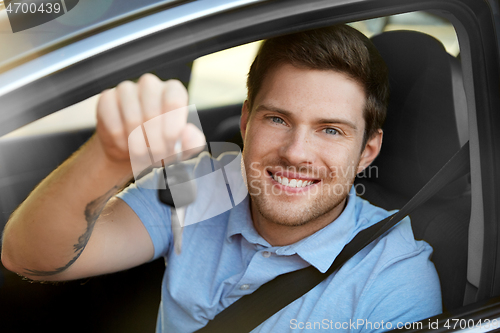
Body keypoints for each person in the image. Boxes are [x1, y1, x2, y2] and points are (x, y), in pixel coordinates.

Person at [1, 25, 442, 332]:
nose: (295, 153)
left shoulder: (395, 278)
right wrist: (110, 158)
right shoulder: (202, 180)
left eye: (330, 130)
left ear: (367, 151)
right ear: (246, 120)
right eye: (277, 119)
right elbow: (30, 257)